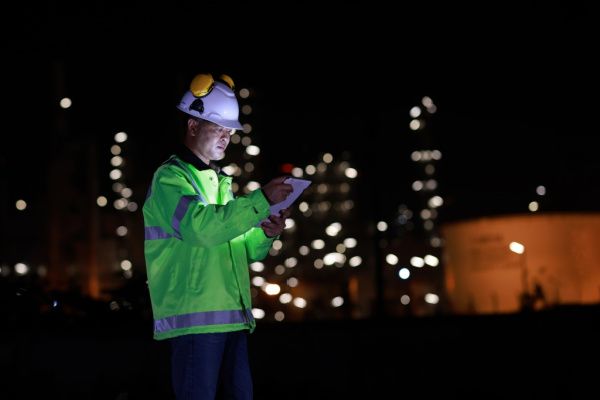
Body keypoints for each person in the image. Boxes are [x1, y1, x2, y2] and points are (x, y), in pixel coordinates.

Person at [143, 72, 293, 399]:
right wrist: (260, 201)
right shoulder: (170, 178)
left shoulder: (219, 183)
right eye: (218, 128)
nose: (226, 137)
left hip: (231, 319)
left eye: (230, 131)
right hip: (195, 323)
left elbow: (243, 249)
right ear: (193, 125)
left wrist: (265, 233)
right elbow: (202, 229)